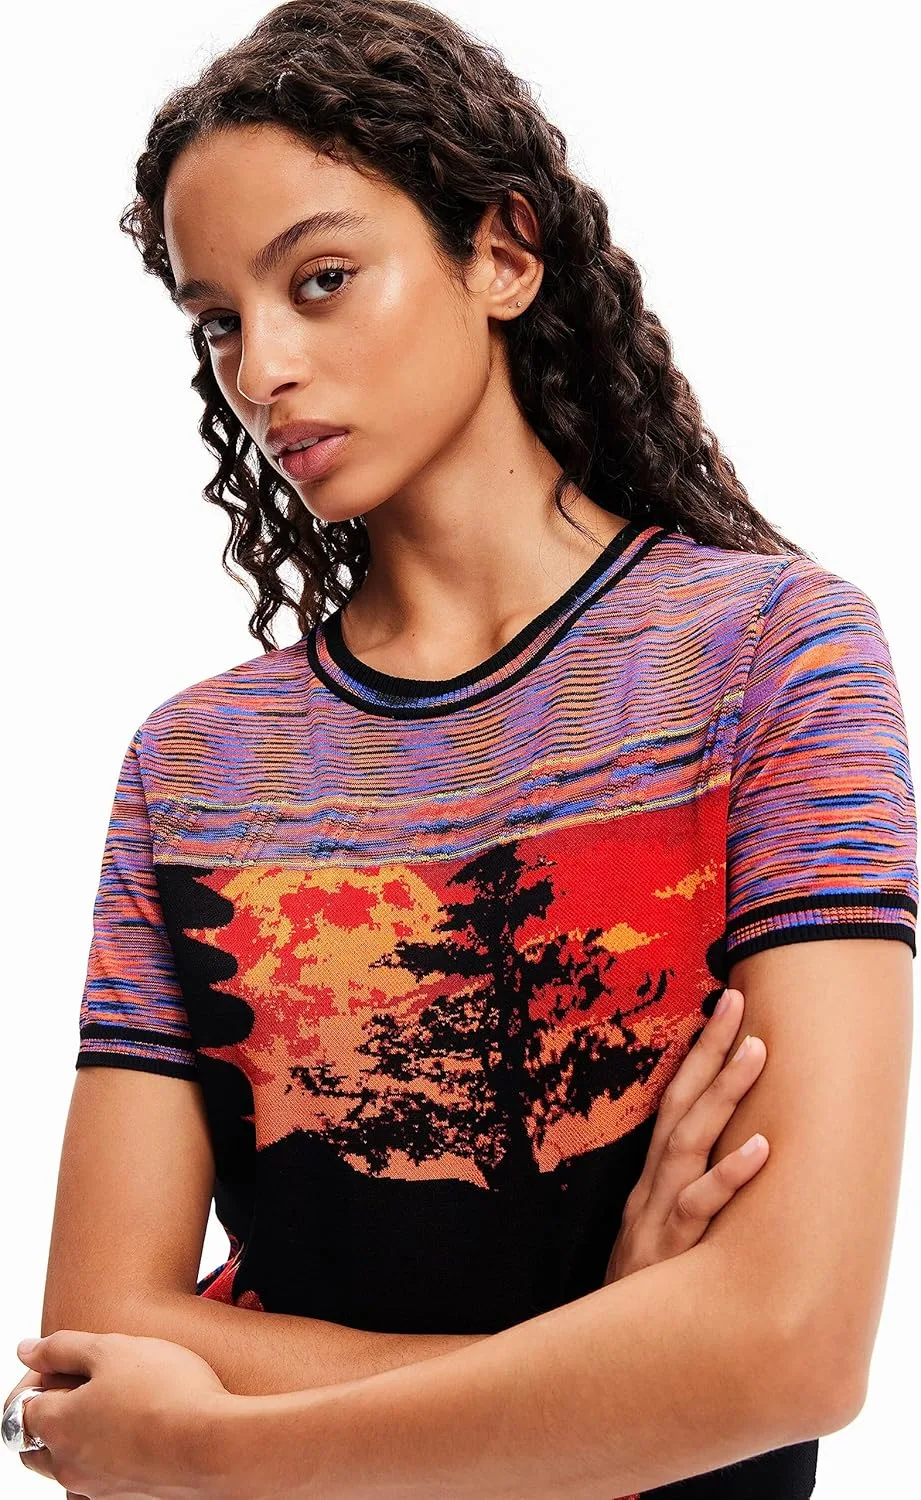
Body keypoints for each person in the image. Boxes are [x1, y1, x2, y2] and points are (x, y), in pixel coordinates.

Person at [5, 2, 917, 1497]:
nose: (261, 368)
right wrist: (623, 1356)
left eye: (320, 280)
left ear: (502, 253)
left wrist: (216, 1448)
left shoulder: (772, 660)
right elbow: (98, 1333)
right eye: (218, 319)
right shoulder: (195, 766)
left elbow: (792, 1346)